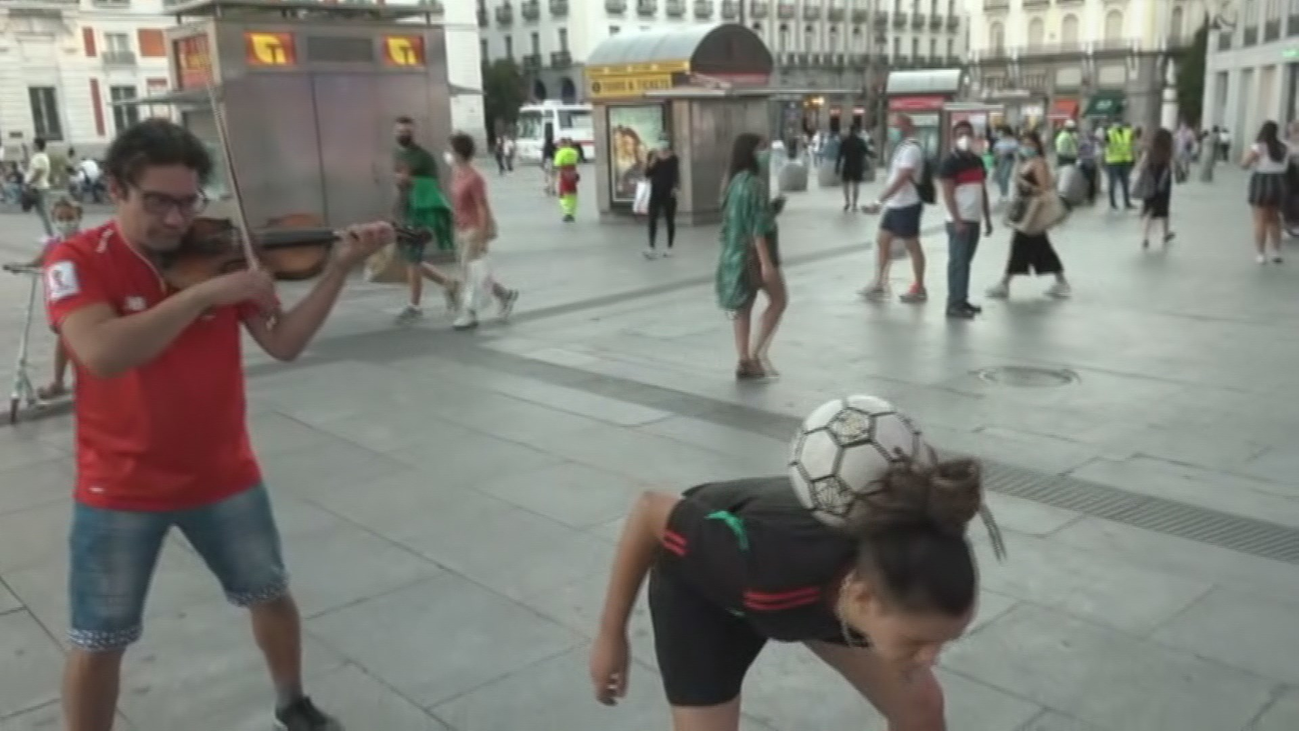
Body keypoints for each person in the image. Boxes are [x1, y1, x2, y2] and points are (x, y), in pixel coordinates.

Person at [45, 118, 391, 731]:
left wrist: (338, 270)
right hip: (118, 488)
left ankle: (293, 700)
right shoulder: (75, 260)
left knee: (270, 594)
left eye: (188, 203)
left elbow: (284, 342)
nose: (177, 221)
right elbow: (100, 352)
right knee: (99, 638)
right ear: (118, 190)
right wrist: (204, 297)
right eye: (158, 202)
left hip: (224, 474)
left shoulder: (224, 259)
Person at [588, 402, 1002, 731]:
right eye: (916, 642)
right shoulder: (764, 564)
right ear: (863, 595)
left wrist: (908, 644)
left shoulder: (897, 555)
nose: (930, 658)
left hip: (818, 595)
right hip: (704, 594)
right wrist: (611, 634)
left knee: (922, 708)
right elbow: (649, 510)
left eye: (941, 643)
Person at [716, 133, 786, 380]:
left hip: (733, 255)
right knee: (778, 300)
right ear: (751, 152)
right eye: (762, 148)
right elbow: (758, 228)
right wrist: (767, 263)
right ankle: (756, 355)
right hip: (754, 256)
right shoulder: (755, 184)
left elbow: (734, 221)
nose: (766, 153)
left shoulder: (732, 182)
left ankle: (743, 359)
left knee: (742, 309)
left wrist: (771, 209)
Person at [446, 132, 520, 330]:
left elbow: (482, 207)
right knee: (476, 272)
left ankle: (470, 314)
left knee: (469, 274)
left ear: (460, 153)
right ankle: (504, 295)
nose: (449, 154)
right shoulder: (457, 174)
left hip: (473, 230)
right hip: (460, 228)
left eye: (451, 150)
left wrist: (482, 235)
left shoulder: (475, 178)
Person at [986, 130, 1071, 299]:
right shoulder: (1025, 162)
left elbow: (1044, 187)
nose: (1026, 147)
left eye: (1030, 144)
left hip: (1034, 211)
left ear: (1037, 145)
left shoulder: (1039, 163)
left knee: (1020, 246)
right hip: (1027, 210)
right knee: (1040, 248)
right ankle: (1060, 280)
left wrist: (1024, 184)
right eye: (1023, 144)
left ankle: (1005, 283)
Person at [392, 115, 460, 323]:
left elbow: (433, 186)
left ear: (414, 132)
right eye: (400, 132)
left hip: (420, 213)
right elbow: (400, 185)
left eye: (407, 131)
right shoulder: (397, 154)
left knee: (413, 259)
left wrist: (409, 179)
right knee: (413, 260)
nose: (403, 135)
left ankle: (414, 306)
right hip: (404, 211)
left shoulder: (424, 157)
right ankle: (449, 284)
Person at [861, 113, 928, 304]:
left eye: (896, 126)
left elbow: (902, 179)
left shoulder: (912, 149)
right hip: (895, 204)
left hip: (907, 204)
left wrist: (879, 200)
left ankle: (919, 287)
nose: (894, 130)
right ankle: (880, 283)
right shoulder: (902, 147)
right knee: (882, 240)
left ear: (908, 126)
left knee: (912, 246)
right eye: (892, 126)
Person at [938, 120, 993, 319]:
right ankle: (954, 304)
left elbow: (982, 190)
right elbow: (948, 194)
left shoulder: (977, 161)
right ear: (953, 138)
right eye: (960, 134)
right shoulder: (949, 162)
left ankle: (961, 298)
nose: (965, 138)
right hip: (958, 221)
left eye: (968, 134)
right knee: (958, 262)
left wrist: (987, 217)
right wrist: (958, 220)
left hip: (974, 219)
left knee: (965, 262)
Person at [1241, 120, 1291, 264]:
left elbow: (1244, 164)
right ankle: (1276, 252)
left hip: (1262, 181)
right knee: (1275, 218)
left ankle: (1261, 254)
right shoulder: (1284, 146)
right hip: (1279, 182)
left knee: (1260, 220)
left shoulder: (1259, 146)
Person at [1138, 128, 1176, 250]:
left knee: (1148, 209)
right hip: (1164, 184)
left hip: (1150, 183)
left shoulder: (1149, 151)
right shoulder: (1167, 152)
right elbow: (1172, 167)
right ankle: (1166, 233)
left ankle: (1145, 238)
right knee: (1164, 209)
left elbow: (1141, 166)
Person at [644, 139, 680, 258]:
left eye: (665, 142)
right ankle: (651, 247)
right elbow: (647, 174)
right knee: (652, 218)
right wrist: (652, 163)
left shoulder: (673, 158)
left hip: (669, 192)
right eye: (660, 142)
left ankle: (670, 247)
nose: (663, 145)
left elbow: (675, 174)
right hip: (655, 192)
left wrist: (675, 187)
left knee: (670, 220)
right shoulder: (653, 155)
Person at [835, 123, 868, 212]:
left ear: (850, 131)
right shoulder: (860, 141)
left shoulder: (845, 141)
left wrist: (837, 167)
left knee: (845, 185)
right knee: (856, 185)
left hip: (847, 165)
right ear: (857, 131)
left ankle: (847, 202)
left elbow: (839, 155)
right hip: (857, 166)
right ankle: (854, 204)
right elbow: (866, 152)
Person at [25, 136, 54, 236]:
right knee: (42, 212)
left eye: (33, 144)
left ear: (37, 145)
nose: (32, 145)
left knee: (44, 213)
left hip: (39, 187)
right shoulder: (41, 156)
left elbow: (39, 171)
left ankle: (50, 234)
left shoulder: (39, 157)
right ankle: (49, 233)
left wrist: (30, 182)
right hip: (40, 186)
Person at [1105, 121, 1136, 210]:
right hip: (1113, 161)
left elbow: (1132, 145)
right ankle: (1113, 203)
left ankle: (1127, 203)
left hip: (1125, 161)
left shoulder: (1128, 132)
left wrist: (1133, 158)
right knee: (1113, 183)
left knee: (1125, 183)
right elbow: (1105, 145)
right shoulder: (1109, 133)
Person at [555, 138, 581, 222]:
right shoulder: (574, 152)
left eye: (559, 144)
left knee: (563, 193)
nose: (558, 146)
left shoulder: (560, 152)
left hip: (564, 173)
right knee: (572, 192)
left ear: (562, 144)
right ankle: (572, 213)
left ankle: (567, 213)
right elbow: (577, 161)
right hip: (572, 173)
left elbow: (557, 164)